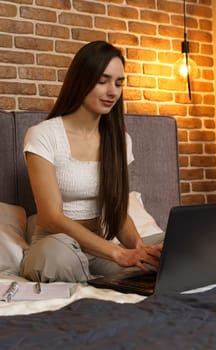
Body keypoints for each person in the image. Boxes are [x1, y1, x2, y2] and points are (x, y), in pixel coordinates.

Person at [20, 40, 163, 283]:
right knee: (56, 258)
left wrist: (139, 249)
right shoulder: (43, 135)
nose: (112, 92)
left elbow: (118, 212)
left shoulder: (120, 140)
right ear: (82, 81)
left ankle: (104, 280)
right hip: (57, 245)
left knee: (171, 249)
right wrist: (117, 253)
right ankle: (96, 282)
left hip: (101, 249)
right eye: (102, 81)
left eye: (118, 83)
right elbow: (50, 217)